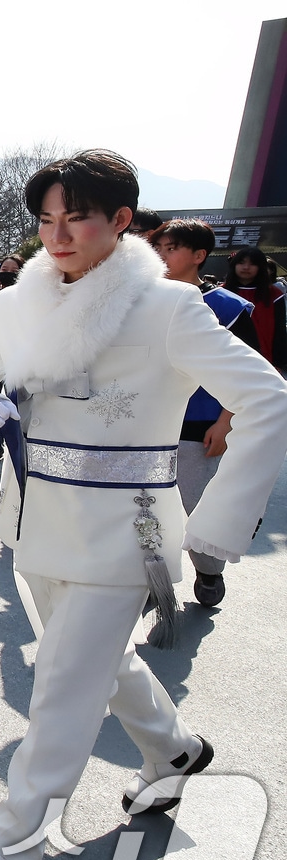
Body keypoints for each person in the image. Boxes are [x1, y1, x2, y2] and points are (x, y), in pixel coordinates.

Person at [0, 150, 287, 860]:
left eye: (78, 218)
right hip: (34, 521)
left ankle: (14, 841)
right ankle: (176, 750)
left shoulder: (167, 307)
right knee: (96, 661)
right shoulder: (13, 301)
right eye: (46, 219)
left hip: (127, 533)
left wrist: (218, 523)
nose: (58, 235)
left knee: (61, 682)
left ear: (122, 220)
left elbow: (270, 397)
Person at [151, 219, 260, 608]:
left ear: (199, 256)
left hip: (199, 424)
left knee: (194, 502)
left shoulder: (227, 308)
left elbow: (252, 371)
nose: (161, 255)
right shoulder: (141, 301)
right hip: (145, 422)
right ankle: (151, 580)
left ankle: (209, 569)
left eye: (171, 248)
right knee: (143, 506)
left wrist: (225, 421)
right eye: (158, 247)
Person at [223, 245, 286, 371]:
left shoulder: (274, 295)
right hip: (227, 359)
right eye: (241, 263)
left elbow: (280, 331)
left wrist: (278, 361)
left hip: (264, 360)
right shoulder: (221, 293)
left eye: (252, 264)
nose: (246, 267)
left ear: (261, 267)